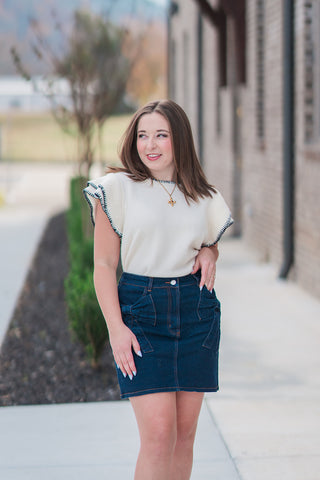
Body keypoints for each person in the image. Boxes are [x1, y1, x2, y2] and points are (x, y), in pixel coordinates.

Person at [83, 99, 233, 480]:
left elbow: (205, 239)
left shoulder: (202, 193)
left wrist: (210, 251)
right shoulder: (116, 189)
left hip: (195, 313)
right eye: (143, 135)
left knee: (184, 437)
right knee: (158, 436)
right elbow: (103, 265)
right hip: (141, 312)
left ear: (179, 139)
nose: (150, 145)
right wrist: (115, 329)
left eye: (161, 135)